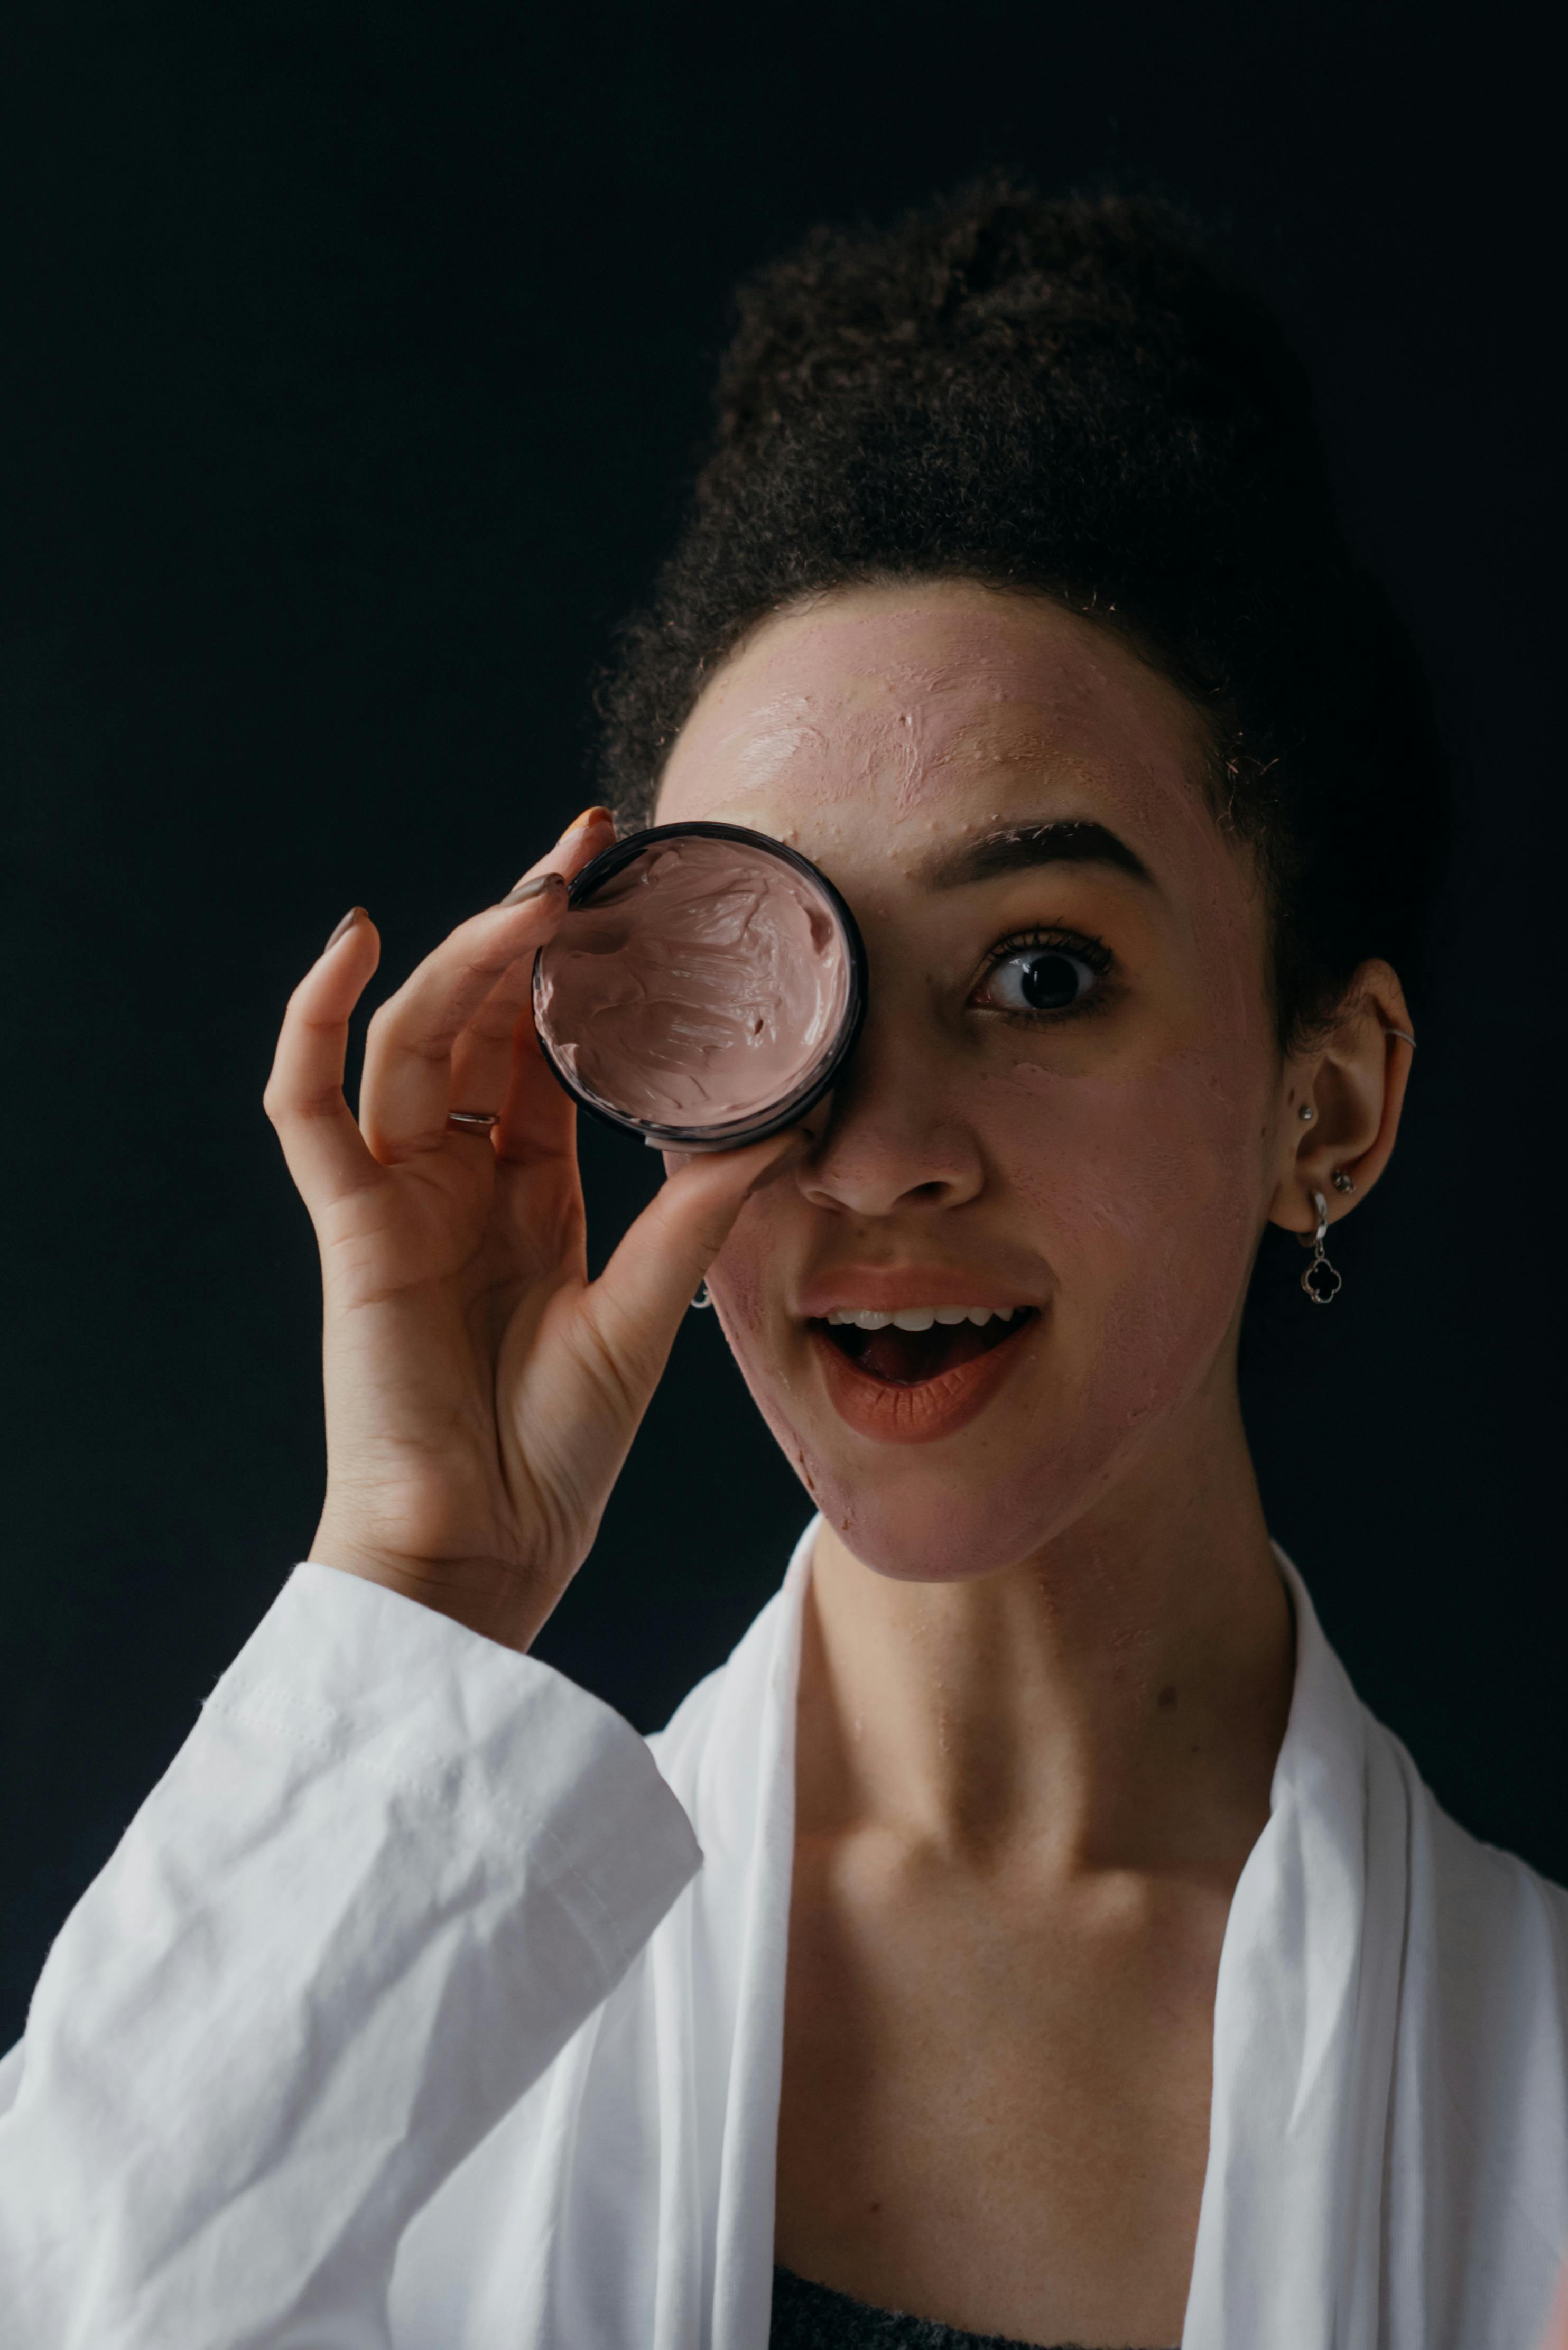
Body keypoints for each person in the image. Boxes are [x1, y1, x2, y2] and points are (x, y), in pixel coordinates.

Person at [2, 179, 1564, 2350]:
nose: (879, 1152)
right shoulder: (398, 2009)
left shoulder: (1537, 2126)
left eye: (1039, 968)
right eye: (771, 983)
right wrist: (420, 1601)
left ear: (1330, 1099)